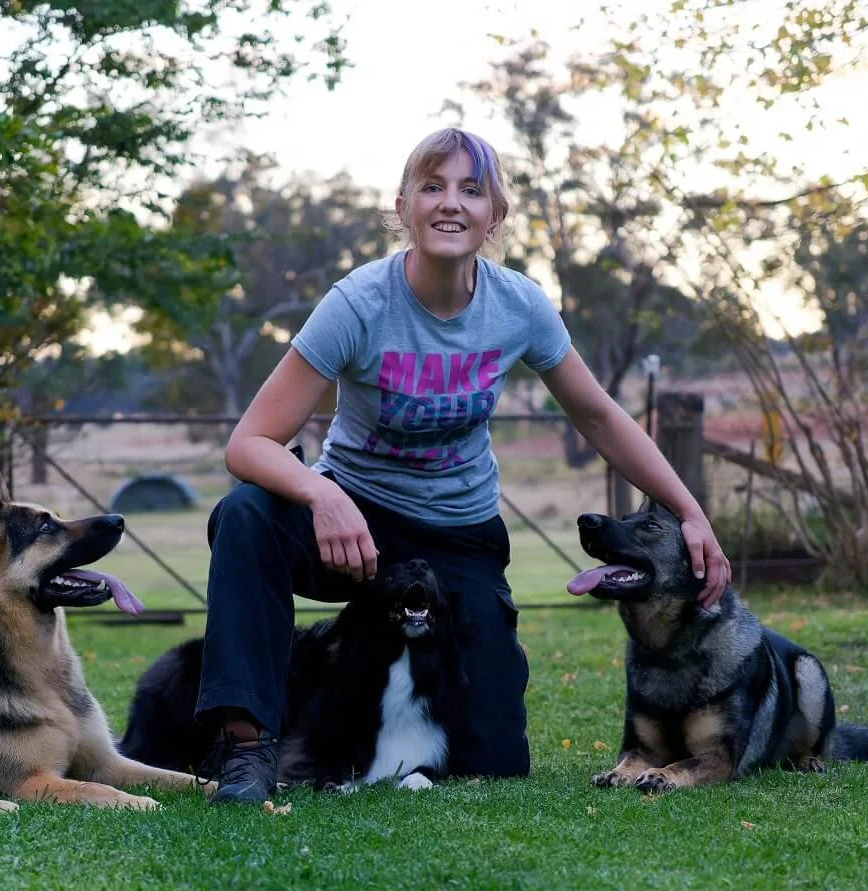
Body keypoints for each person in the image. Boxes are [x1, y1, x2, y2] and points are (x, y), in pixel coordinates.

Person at [196, 127, 730, 804]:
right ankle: (248, 749)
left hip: (458, 535)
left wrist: (689, 513)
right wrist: (323, 495)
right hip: (353, 524)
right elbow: (249, 443)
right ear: (403, 206)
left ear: (494, 215)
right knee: (244, 515)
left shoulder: (519, 307)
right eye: (433, 186)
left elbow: (599, 418)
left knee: (496, 762)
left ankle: (467, 647)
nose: (451, 203)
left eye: (471, 190)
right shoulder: (358, 304)